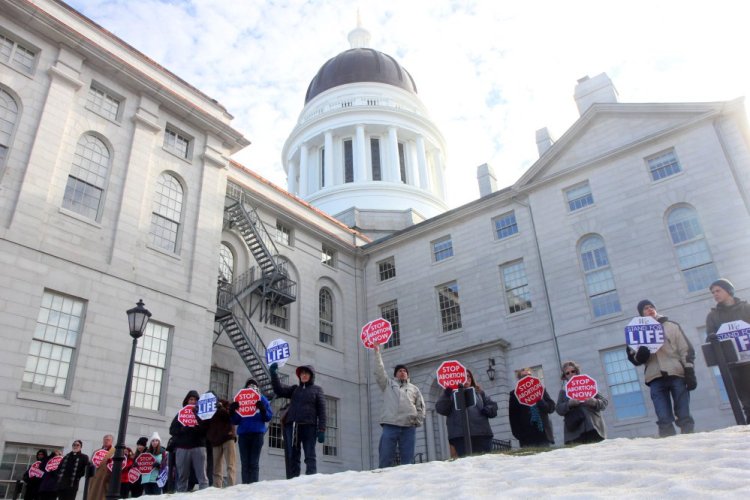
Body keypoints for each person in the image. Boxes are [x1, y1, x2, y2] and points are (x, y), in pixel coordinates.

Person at [626, 299, 696, 437]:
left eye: (652, 306)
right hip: (655, 376)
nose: (650, 309)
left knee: (684, 414)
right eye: (645, 308)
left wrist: (689, 371)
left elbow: (686, 349)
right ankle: (669, 448)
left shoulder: (672, 326)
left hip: (676, 373)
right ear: (641, 314)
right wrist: (641, 355)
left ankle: (691, 442)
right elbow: (632, 356)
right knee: (663, 417)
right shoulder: (635, 330)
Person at [270, 362, 326, 478]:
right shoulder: (295, 389)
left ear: (311, 376)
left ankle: (311, 479)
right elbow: (279, 390)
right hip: (295, 427)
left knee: (310, 455)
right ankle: (293, 481)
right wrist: (274, 374)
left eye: (306, 373)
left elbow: (322, 411)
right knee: (294, 456)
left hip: (309, 427)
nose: (304, 375)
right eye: (302, 373)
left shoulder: (317, 390)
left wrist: (321, 429)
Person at [705, 278, 750, 423]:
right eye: (713, 292)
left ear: (728, 291)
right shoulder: (712, 316)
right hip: (733, 366)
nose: (715, 294)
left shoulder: (746, 308)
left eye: (718, 290)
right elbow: (709, 340)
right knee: (746, 403)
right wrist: (712, 338)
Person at [373, 345, 425, 467]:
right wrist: (377, 353)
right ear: (396, 374)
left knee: (407, 460)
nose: (402, 372)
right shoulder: (387, 384)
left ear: (407, 374)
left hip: (408, 426)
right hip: (390, 425)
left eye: (404, 371)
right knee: (385, 456)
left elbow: (420, 406)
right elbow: (379, 371)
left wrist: (417, 421)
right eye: (400, 371)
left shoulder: (414, 389)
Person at [435, 368, 497, 457]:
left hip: (481, 434)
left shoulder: (479, 393)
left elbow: (493, 406)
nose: (466, 378)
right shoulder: (450, 394)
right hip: (460, 436)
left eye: (468, 376)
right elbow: (441, 409)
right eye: (463, 376)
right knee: (467, 466)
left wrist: (488, 409)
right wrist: (446, 394)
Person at [230, 379, 273, 484]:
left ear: (257, 388)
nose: (251, 387)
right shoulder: (241, 400)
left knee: (254, 463)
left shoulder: (262, 399)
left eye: (253, 385)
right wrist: (231, 411)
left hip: (257, 435)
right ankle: (245, 486)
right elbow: (235, 421)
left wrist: (263, 410)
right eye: (249, 385)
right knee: (245, 463)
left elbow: (268, 417)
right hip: (244, 435)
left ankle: (253, 486)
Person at [556, 361, 608, 445]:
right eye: (567, 373)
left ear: (577, 371)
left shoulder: (588, 384)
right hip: (574, 432)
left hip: (594, 428)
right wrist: (569, 404)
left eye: (573, 371)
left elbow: (604, 403)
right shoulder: (563, 391)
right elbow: (558, 409)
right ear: (564, 376)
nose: (571, 374)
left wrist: (594, 402)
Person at [169, 390, 209, 492]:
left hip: (198, 446)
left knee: (202, 476)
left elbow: (206, 430)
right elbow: (172, 430)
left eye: (195, 400)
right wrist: (183, 429)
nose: (193, 402)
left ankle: (205, 497)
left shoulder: (202, 414)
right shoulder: (180, 414)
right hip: (183, 448)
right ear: (187, 400)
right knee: (182, 476)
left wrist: (196, 427)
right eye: (191, 399)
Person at [508, 368, 556, 448]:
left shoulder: (540, 389)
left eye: (529, 375)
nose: (527, 377)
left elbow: (551, 407)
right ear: (519, 379)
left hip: (543, 433)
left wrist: (542, 403)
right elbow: (513, 417)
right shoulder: (514, 395)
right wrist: (519, 435)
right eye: (524, 376)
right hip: (527, 436)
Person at [207, 398, 237, 487]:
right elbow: (204, 424)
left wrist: (220, 408)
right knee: (216, 468)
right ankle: (217, 488)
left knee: (230, 465)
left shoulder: (225, 404)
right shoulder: (207, 409)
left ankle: (231, 486)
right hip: (215, 440)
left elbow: (230, 417)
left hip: (227, 437)